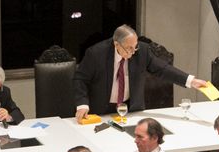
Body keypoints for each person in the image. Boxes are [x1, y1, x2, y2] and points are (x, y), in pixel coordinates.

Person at [74, 24, 207, 123]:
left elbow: (163, 69)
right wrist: (82, 104)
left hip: (131, 110)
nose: (133, 52)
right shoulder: (96, 53)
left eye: (135, 47)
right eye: (129, 48)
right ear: (116, 44)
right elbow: (80, 79)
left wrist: (191, 81)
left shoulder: (142, 51)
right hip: (101, 111)